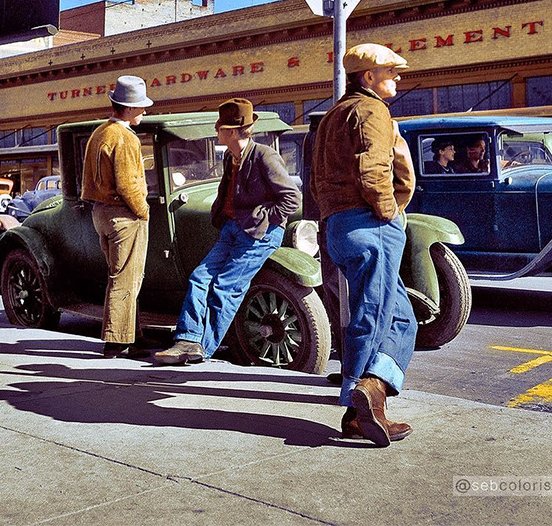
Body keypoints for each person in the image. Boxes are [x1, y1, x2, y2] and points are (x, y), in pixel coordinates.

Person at [310, 44, 417, 447]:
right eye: (391, 71)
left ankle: (366, 402)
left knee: (401, 316)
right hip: (369, 221)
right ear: (368, 77)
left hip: (339, 223)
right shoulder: (373, 111)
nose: (398, 77)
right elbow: (376, 168)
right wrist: (389, 211)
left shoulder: (333, 115)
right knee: (372, 312)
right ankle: (362, 394)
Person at [152, 97, 301, 364]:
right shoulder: (231, 159)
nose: (216, 131)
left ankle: (202, 350)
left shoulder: (264, 156)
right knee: (199, 278)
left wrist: (264, 219)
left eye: (219, 127)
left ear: (232, 131)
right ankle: (187, 339)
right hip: (233, 229)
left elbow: (292, 198)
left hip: (259, 234)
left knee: (225, 287)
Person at [80, 74, 153, 357]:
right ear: (130, 108)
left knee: (121, 275)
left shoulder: (100, 133)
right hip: (123, 216)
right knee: (127, 278)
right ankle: (117, 341)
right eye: (142, 107)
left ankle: (132, 336)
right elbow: (128, 184)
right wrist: (143, 212)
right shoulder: (125, 138)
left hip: (101, 213)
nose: (145, 112)